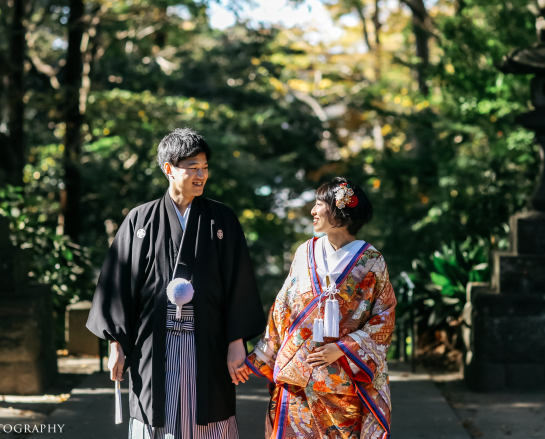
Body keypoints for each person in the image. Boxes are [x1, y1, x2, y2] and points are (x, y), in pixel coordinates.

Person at [86, 127, 267, 439]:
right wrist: (116, 343)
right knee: (157, 416)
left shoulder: (222, 220)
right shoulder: (139, 220)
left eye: (205, 168)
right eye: (192, 168)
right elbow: (117, 286)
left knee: (209, 417)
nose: (201, 175)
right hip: (152, 342)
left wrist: (237, 342)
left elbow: (239, 282)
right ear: (169, 169)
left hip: (208, 339)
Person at [244, 177, 396, 439]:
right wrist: (261, 355)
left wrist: (341, 348)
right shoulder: (305, 252)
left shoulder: (372, 260)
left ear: (340, 209)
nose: (313, 211)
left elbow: (384, 317)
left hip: (342, 376)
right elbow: (283, 307)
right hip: (297, 374)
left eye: (318, 204)